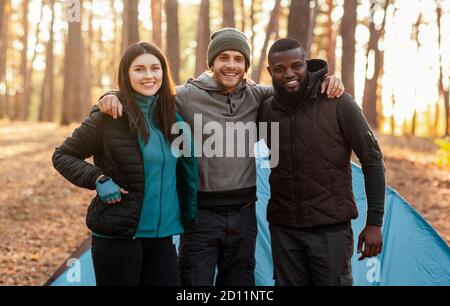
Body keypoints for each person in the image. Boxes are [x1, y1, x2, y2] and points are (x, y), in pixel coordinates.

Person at [98, 28, 345, 286]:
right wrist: (110, 95)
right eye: (223, 58)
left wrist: (327, 79)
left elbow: (295, 86)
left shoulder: (258, 96)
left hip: (244, 215)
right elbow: (144, 94)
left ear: (246, 66)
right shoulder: (184, 96)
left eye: (238, 59)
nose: (231, 65)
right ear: (212, 63)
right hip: (200, 218)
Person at [52, 42, 198, 286]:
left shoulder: (174, 118)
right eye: (139, 69)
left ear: (164, 72)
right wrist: (98, 179)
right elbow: (63, 155)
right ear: (126, 75)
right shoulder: (109, 117)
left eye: (155, 68)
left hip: (163, 237)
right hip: (119, 237)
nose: (149, 76)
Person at [258, 38, 386, 286]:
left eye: (296, 66)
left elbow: (372, 160)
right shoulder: (266, 110)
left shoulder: (338, 102)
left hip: (331, 231)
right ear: (270, 72)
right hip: (283, 231)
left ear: (306, 64)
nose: (289, 74)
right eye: (280, 69)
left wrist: (374, 223)